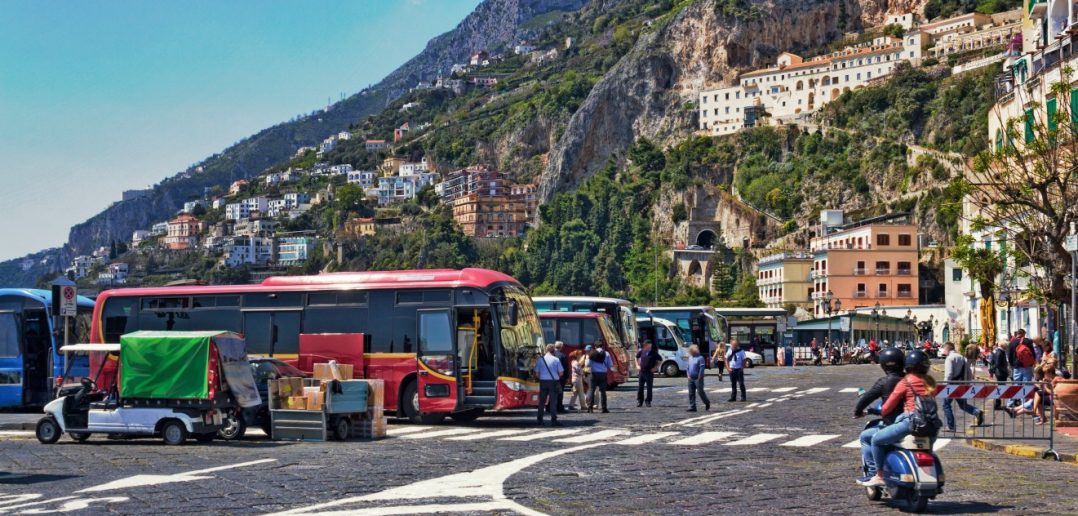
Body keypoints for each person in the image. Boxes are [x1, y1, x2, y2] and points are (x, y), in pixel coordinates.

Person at [860, 350, 938, 488]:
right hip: (932, 423)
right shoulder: (930, 382)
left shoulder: (905, 382)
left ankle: (879, 475)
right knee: (926, 450)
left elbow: (888, 406)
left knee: (876, 440)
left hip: (911, 421)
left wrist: (881, 411)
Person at [854, 347, 906, 482]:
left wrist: (857, 411)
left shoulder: (884, 382)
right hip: (916, 423)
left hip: (895, 424)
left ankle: (874, 473)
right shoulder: (909, 380)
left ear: (883, 364)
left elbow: (866, 398)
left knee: (866, 437)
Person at [941, 343, 984, 432]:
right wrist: (967, 384)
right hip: (961, 385)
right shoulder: (962, 358)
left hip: (951, 386)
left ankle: (951, 426)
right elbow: (968, 373)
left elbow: (948, 374)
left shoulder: (949, 358)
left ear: (947, 349)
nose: (943, 351)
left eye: (944, 349)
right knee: (963, 405)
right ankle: (977, 412)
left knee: (946, 405)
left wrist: (944, 386)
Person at [534, 344, 564, 427]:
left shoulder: (540, 360)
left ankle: (540, 420)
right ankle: (553, 420)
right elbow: (561, 373)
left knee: (542, 402)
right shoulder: (556, 359)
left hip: (543, 382)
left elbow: (536, 373)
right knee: (553, 402)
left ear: (546, 350)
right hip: (553, 382)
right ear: (553, 350)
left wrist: (542, 377)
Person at [587, 342, 613, 413]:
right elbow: (610, 365)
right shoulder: (606, 353)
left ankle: (590, 408)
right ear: (602, 346)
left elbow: (587, 364)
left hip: (594, 374)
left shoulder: (592, 353)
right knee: (603, 392)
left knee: (592, 390)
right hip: (603, 374)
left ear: (595, 346)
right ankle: (604, 408)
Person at [686, 344, 710, 412]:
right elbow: (687, 368)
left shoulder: (700, 358)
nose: (690, 353)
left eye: (691, 351)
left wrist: (700, 376)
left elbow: (702, 368)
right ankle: (692, 406)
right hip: (691, 378)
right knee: (691, 393)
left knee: (700, 392)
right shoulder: (690, 358)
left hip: (698, 378)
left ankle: (706, 402)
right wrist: (688, 375)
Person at [636, 340, 660, 407]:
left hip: (649, 372)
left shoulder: (653, 352)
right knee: (640, 387)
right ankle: (639, 401)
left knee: (649, 388)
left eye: (650, 346)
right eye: (648, 346)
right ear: (645, 346)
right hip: (642, 372)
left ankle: (648, 401)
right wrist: (637, 365)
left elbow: (660, 360)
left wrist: (656, 367)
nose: (649, 348)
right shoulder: (642, 351)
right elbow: (636, 357)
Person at [989, 339, 1010, 411]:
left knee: (1000, 388)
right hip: (1001, 373)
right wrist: (1005, 370)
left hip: (1000, 372)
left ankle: (997, 404)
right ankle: (997, 404)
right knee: (1000, 388)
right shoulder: (1000, 352)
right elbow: (998, 364)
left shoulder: (999, 351)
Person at [553, 341, 569, 413]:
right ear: (561, 347)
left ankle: (550, 407)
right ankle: (559, 407)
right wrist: (566, 377)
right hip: (560, 377)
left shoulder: (551, 354)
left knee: (551, 392)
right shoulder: (563, 355)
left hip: (551, 377)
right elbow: (565, 367)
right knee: (560, 392)